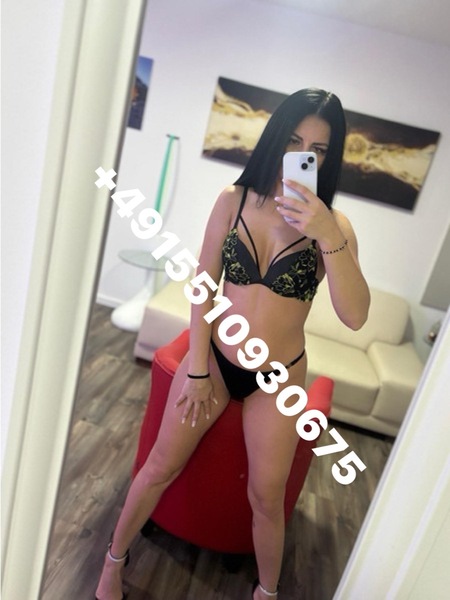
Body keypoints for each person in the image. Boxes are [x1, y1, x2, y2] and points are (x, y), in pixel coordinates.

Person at [95, 87, 370, 600]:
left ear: (330, 158)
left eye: (319, 149)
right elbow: (203, 287)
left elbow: (355, 317)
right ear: (276, 138)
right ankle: (113, 561)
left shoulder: (335, 228)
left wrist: (326, 233)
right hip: (217, 361)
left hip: (277, 378)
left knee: (266, 498)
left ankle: (266, 592)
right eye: (294, 140)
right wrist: (198, 368)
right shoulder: (234, 199)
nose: (304, 155)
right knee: (159, 466)